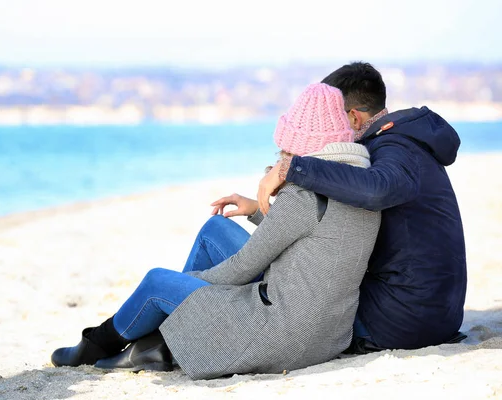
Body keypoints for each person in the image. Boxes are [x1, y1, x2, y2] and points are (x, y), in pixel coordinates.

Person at [51, 83, 381, 380]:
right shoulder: (361, 183)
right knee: (215, 230)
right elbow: (315, 240)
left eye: (288, 151)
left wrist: (182, 287)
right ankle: (160, 343)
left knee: (156, 283)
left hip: (282, 333)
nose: (283, 159)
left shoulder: (304, 196)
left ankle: (96, 344)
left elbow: (242, 268)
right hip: (326, 334)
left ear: (302, 150)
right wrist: (257, 209)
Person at [256, 62, 467, 352]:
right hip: (435, 314)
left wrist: (291, 167)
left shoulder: (393, 148)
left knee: (275, 280)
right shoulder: (406, 144)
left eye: (333, 118)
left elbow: (378, 190)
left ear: (353, 118)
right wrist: (261, 209)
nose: (328, 129)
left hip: (397, 320)